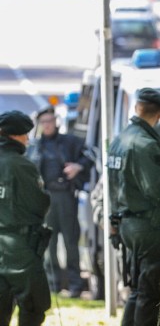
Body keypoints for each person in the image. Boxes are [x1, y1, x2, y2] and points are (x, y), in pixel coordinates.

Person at [107, 87, 160, 326]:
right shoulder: (144, 145)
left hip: (127, 223)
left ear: (136, 109)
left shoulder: (119, 140)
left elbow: (111, 187)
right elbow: (158, 189)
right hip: (147, 224)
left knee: (136, 290)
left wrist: (114, 221)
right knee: (148, 289)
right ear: (159, 113)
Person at [0, 110, 52, 326]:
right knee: (33, 300)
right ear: (17, 135)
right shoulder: (21, 165)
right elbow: (39, 204)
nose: (28, 140)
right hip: (19, 244)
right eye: (26, 135)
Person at [27, 107, 93, 298]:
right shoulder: (34, 147)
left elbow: (89, 155)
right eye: (44, 121)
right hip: (44, 198)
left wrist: (78, 166)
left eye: (50, 120)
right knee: (49, 243)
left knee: (71, 242)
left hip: (65, 196)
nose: (47, 125)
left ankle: (75, 284)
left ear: (56, 121)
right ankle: (54, 284)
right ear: (39, 124)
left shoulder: (69, 141)